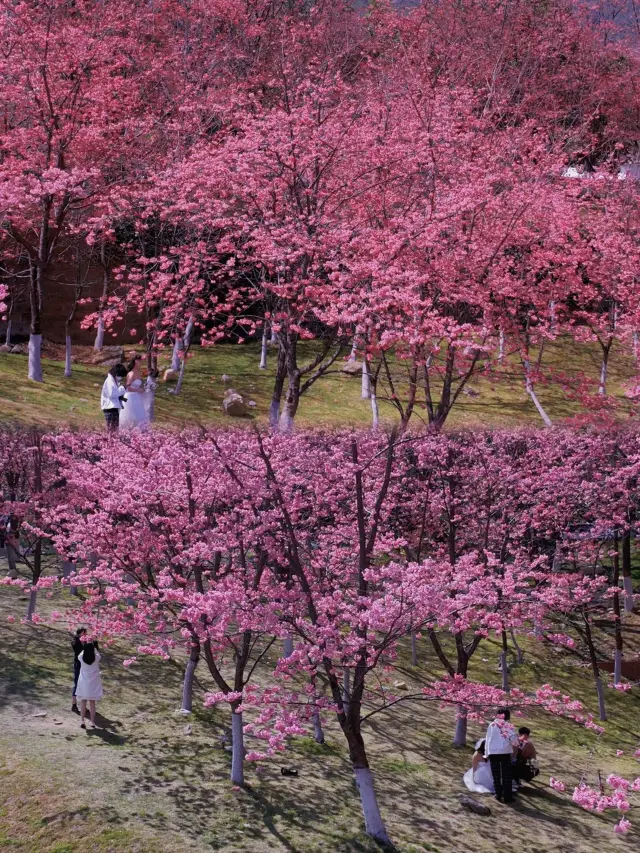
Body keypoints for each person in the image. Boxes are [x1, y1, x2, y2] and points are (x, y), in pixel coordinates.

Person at [484, 707, 518, 803]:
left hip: (493, 752)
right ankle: (508, 797)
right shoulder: (508, 725)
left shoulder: (492, 725)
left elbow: (488, 739)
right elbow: (513, 740)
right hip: (505, 752)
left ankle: (498, 794)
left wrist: (486, 754)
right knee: (506, 775)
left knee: (496, 775)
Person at [76, 641, 103, 729]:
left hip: (84, 683)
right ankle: (92, 721)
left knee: (83, 702)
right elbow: (97, 653)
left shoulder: (81, 657)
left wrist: (86, 646)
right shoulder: (96, 658)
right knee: (92, 704)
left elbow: (81, 653)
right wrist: (93, 647)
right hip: (93, 684)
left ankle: (82, 720)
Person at [119, 354, 151, 431]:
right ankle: (128, 430)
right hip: (130, 397)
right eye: (140, 361)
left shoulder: (138, 373)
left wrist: (143, 389)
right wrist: (138, 390)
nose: (141, 363)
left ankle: (140, 430)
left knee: (139, 413)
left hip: (136, 397)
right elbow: (128, 387)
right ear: (135, 362)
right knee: (130, 414)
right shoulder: (131, 374)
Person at [100, 363, 128, 432]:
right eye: (121, 376)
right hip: (109, 408)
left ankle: (113, 441)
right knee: (112, 429)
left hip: (113, 407)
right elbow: (112, 394)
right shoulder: (110, 381)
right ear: (117, 373)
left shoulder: (113, 380)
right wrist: (122, 388)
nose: (121, 378)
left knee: (115, 429)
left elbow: (115, 393)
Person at [71, 627, 87, 714]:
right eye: (84, 633)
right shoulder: (77, 641)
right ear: (81, 633)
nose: (86, 635)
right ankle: (74, 705)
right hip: (78, 664)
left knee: (84, 684)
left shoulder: (82, 642)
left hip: (84, 665)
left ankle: (83, 705)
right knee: (77, 684)